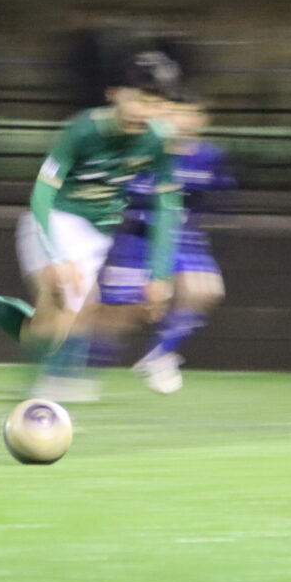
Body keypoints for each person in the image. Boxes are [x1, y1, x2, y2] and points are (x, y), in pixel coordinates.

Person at [0, 52, 181, 401]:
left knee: (44, 332)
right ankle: (38, 402)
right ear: (115, 94)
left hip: (96, 235)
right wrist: (56, 257)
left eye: (155, 104)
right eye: (139, 99)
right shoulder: (83, 129)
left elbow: (168, 205)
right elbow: (42, 193)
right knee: (72, 303)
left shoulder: (159, 140)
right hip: (55, 219)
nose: (144, 111)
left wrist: (160, 273)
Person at [107, 95, 234, 394]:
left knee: (207, 290)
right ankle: (73, 367)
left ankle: (161, 354)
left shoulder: (210, 156)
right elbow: (126, 193)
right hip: (143, 236)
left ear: (201, 119)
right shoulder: (147, 150)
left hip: (186, 239)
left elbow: (217, 199)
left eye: (190, 113)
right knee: (120, 316)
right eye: (175, 111)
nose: (182, 119)